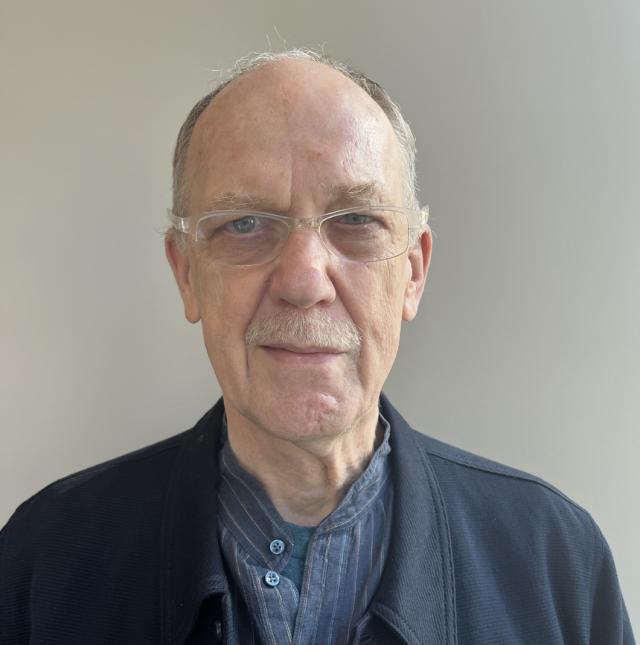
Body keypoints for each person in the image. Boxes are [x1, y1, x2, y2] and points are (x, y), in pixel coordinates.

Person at [0, 50, 634, 645]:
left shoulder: (557, 567)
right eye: (244, 224)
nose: (304, 282)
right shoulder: (44, 566)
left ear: (413, 272)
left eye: (356, 220)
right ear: (186, 273)